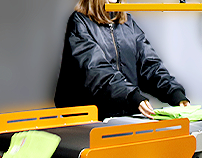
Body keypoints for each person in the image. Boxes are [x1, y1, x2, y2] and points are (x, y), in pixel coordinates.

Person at [54, 0, 190, 120]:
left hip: (123, 116)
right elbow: (95, 70)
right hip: (91, 119)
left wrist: (175, 94)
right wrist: (131, 96)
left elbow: (150, 65)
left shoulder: (128, 23)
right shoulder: (79, 22)